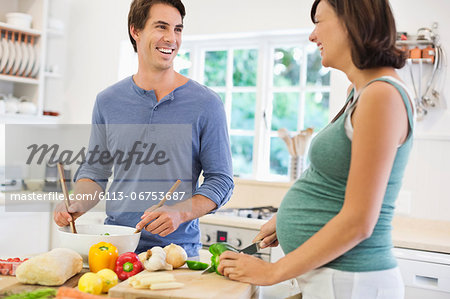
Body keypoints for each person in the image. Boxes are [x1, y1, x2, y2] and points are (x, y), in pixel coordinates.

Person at [219, 0, 414, 298]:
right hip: (333, 278)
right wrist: (284, 222)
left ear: (352, 22)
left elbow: (359, 222)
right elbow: (335, 185)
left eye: (319, 22)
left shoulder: (381, 95)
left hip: (352, 280)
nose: (312, 36)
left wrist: (272, 272)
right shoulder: (360, 93)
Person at [53, 0, 233, 257]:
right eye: (162, 27)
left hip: (177, 253)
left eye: (178, 29)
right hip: (115, 247)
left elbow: (221, 180)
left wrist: (180, 212)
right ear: (135, 30)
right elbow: (95, 171)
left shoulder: (207, 103)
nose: (171, 38)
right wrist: (79, 200)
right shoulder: (108, 101)